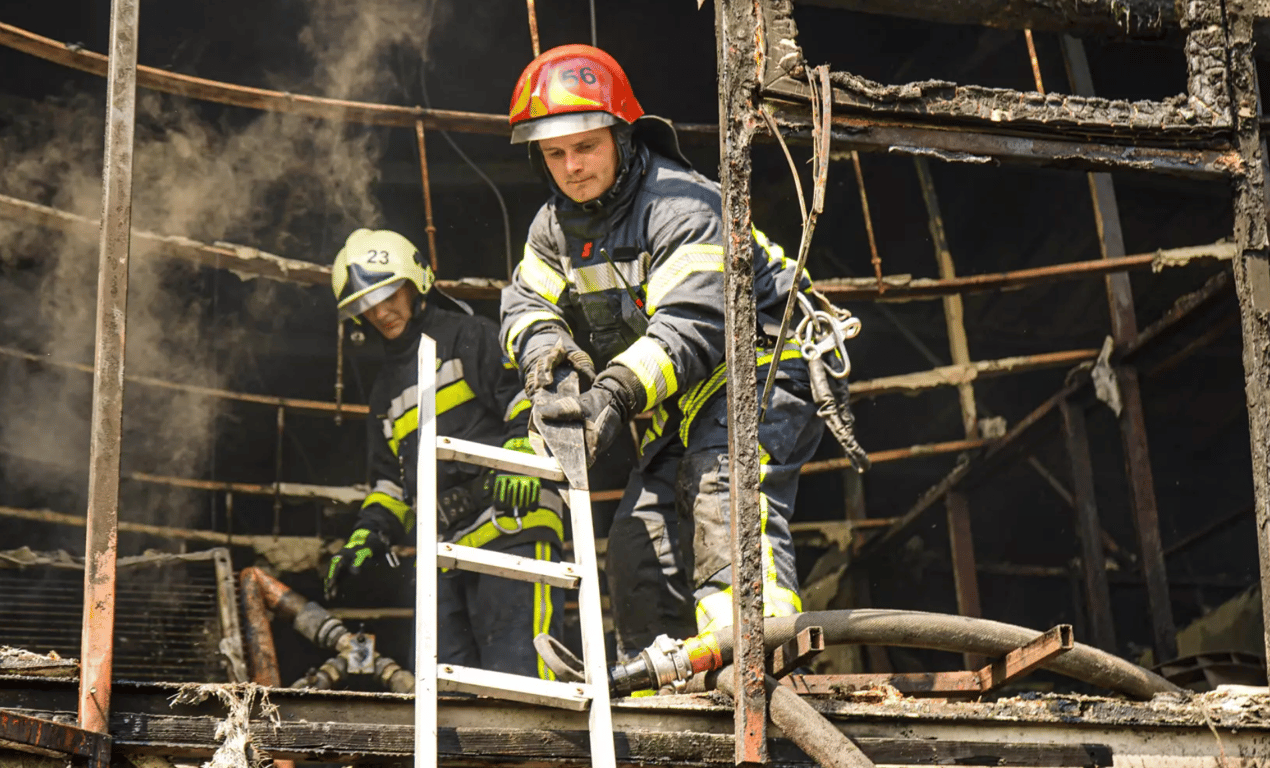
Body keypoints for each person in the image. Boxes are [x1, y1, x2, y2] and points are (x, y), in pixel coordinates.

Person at [499, 45, 864, 661]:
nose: (572, 167)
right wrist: (551, 372)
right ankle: (662, 689)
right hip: (684, 395)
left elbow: (694, 325)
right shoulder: (552, 227)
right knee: (638, 548)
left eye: (586, 146)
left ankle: (760, 670)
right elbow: (524, 306)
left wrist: (609, 396)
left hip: (764, 365)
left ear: (622, 135)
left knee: (723, 496)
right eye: (554, 153)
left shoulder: (683, 204)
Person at [325, 228, 564, 680]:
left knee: (520, 680)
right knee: (447, 697)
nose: (380, 311)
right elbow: (389, 486)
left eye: (388, 293)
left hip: (510, 523)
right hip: (441, 552)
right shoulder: (384, 392)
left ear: (415, 284)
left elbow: (530, 403)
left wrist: (521, 455)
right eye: (365, 305)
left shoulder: (468, 335)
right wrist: (366, 534)